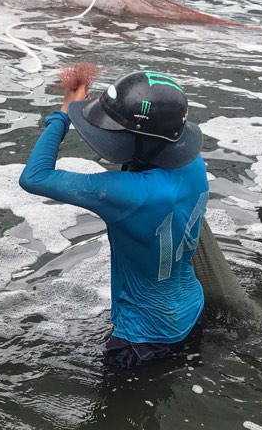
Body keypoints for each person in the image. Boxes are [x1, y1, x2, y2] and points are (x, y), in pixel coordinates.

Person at [19, 70, 208, 368]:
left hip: (141, 338)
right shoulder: (193, 164)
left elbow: (34, 177)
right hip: (192, 313)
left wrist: (64, 115)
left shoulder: (128, 194)